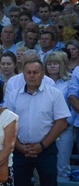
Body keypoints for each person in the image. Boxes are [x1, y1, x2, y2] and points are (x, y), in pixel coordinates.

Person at [5, 58, 70, 185]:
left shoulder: (55, 94)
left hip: (46, 150)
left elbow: (61, 123)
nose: (32, 75)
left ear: (43, 74)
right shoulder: (13, 96)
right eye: (28, 72)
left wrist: (42, 146)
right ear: (23, 74)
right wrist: (19, 146)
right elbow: (8, 124)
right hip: (20, 151)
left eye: (36, 72)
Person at [44, 52, 74, 180]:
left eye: (55, 63)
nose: (52, 66)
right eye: (49, 64)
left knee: (62, 163)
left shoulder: (68, 82)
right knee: (45, 164)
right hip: (46, 128)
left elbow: (73, 106)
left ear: (61, 65)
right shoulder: (41, 83)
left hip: (65, 127)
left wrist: (67, 123)